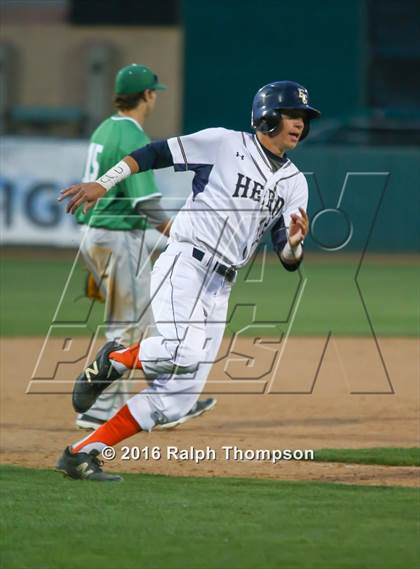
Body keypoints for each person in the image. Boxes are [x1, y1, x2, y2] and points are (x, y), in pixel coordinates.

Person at [56, 80, 320, 481]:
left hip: (222, 286)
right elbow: (153, 153)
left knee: (176, 402)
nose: (299, 123)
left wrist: (295, 245)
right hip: (186, 263)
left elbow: (287, 256)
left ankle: (80, 453)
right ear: (267, 116)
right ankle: (113, 359)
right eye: (292, 114)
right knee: (183, 352)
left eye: (303, 117)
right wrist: (103, 183)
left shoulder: (295, 182)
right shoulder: (221, 143)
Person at [74, 63, 216, 432]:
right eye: (155, 93)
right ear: (148, 95)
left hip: (98, 236)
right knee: (128, 327)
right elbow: (145, 203)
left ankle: (166, 401)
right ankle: (101, 409)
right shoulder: (132, 136)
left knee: (145, 323)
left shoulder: (105, 128)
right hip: (119, 238)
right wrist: (176, 233)